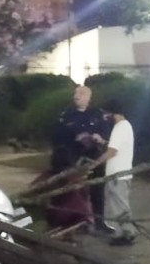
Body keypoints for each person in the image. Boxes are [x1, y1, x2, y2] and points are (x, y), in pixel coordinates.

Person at [52, 85, 111, 233]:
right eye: (76, 93)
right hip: (72, 159)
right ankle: (76, 223)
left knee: (97, 190)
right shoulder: (66, 114)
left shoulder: (98, 114)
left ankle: (99, 223)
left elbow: (105, 132)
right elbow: (57, 136)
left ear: (89, 97)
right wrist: (75, 138)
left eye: (81, 93)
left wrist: (99, 137)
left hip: (94, 158)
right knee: (74, 191)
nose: (77, 96)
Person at [85, 99, 137, 246]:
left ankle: (128, 233)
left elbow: (112, 151)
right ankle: (121, 232)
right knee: (117, 204)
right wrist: (102, 142)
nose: (105, 116)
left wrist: (95, 164)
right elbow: (114, 146)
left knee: (120, 205)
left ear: (112, 113)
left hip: (117, 174)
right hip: (120, 173)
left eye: (106, 113)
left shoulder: (120, 127)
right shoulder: (125, 126)